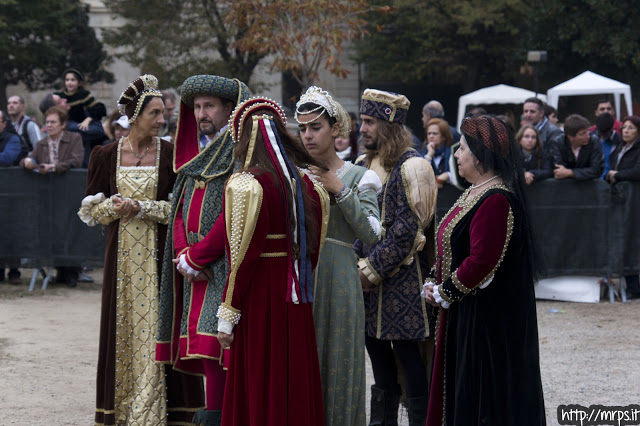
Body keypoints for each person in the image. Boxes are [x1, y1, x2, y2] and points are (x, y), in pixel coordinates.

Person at [77, 74, 204, 425]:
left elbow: (180, 210)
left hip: (159, 260)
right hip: (121, 265)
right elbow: (92, 211)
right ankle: (123, 410)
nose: (163, 119)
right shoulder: (105, 155)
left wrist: (143, 208)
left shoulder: (171, 155)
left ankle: (164, 412)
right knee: (123, 333)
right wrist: (115, 207)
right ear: (135, 116)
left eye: (163, 112)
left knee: (162, 331)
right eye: (155, 113)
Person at [423, 115, 545, 425]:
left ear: (479, 155)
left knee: (481, 397)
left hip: (484, 320)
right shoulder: (474, 192)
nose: (456, 154)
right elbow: (452, 244)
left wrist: (444, 291)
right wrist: (432, 279)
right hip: (464, 311)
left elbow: (483, 260)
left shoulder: (496, 199)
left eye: (462, 148)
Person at [215, 97, 330, 426]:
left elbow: (242, 258)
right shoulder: (308, 184)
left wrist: (228, 312)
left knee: (263, 371)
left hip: (261, 295)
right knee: (292, 371)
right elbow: (313, 251)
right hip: (295, 293)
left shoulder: (247, 185)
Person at [155, 74, 250, 426]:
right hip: (194, 269)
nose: (201, 113)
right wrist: (183, 255)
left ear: (230, 108)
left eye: (209, 105)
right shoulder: (198, 155)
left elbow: (236, 214)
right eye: (196, 107)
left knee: (220, 349)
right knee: (206, 352)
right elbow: (179, 208)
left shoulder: (241, 152)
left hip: (222, 268)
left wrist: (198, 257)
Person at [295, 86, 382, 426]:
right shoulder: (294, 177)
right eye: (302, 128)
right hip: (300, 281)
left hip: (342, 282)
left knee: (341, 365)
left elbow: (373, 235)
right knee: (302, 366)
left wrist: (340, 190)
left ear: (335, 128)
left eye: (315, 127)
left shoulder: (361, 177)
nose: (307, 135)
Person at [355, 89, 437, 426]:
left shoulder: (414, 166)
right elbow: (357, 220)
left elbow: (408, 229)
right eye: (362, 120)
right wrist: (357, 265)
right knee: (377, 356)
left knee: (408, 356)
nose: (362, 128)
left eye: (369, 122)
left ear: (389, 126)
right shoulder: (364, 164)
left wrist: (370, 271)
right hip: (367, 281)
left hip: (403, 281)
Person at [604, 115, 640, 300]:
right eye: (624, 127)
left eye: (631, 128)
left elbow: (637, 171)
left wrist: (617, 175)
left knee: (633, 239)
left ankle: (634, 285)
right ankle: (632, 285)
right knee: (624, 238)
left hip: (634, 202)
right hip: (621, 200)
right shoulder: (618, 147)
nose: (626, 130)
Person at [54, 68, 107, 165]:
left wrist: (88, 119)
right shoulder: (59, 96)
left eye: (73, 80)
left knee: (86, 145)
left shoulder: (83, 95)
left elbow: (99, 108)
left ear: (79, 83)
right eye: (67, 80)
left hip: (83, 127)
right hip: (69, 126)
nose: (69, 83)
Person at [550, 114, 604, 180]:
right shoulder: (558, 142)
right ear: (570, 137)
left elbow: (596, 170)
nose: (588, 136)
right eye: (583, 133)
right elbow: (558, 170)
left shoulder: (593, 141)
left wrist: (570, 172)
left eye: (588, 131)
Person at [423, 117, 453, 188]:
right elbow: (419, 174)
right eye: (429, 133)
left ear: (444, 137)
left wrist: (447, 175)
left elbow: (458, 175)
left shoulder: (452, 153)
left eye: (435, 134)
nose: (431, 136)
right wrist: (429, 155)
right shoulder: (424, 153)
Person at [593, 112, 622, 178]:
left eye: (605, 133)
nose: (602, 136)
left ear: (611, 128)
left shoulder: (620, 142)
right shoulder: (591, 138)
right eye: (600, 132)